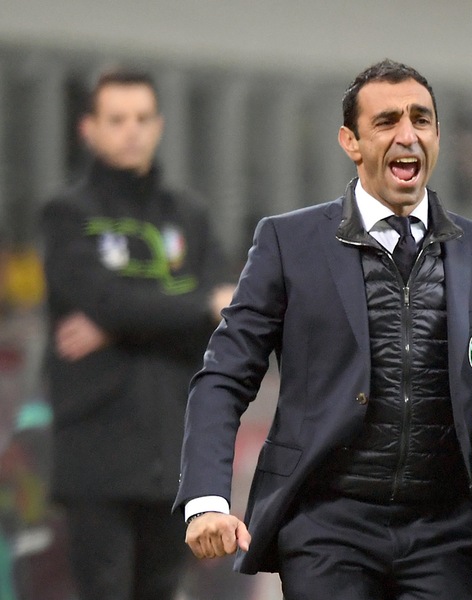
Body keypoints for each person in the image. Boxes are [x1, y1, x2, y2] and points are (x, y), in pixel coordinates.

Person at [174, 58, 472, 600]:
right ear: (350, 141)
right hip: (327, 525)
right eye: (387, 121)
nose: (407, 135)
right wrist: (206, 500)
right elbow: (223, 377)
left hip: (444, 533)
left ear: (437, 135)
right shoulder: (289, 242)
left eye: (421, 119)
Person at [40, 68, 234, 600]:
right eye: (117, 119)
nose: (132, 130)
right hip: (96, 452)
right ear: (89, 129)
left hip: (175, 449)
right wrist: (197, 307)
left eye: (143, 118)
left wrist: (119, 325)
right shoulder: (68, 215)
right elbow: (105, 301)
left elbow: (229, 312)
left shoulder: (189, 216)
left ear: (159, 125)